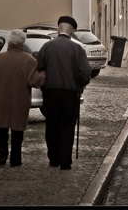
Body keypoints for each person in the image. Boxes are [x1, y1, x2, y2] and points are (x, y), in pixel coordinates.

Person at [0, 29, 46, 167]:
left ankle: (3, 152)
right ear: (23, 42)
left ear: (9, 41)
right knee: (17, 130)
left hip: (0, 97)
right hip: (19, 98)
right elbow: (34, 82)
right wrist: (43, 74)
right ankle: (15, 159)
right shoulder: (29, 60)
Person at [36, 15, 91, 170]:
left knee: (52, 125)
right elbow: (85, 73)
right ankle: (65, 161)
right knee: (67, 127)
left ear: (58, 28)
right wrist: (80, 85)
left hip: (50, 93)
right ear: (72, 31)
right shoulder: (77, 49)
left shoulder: (47, 47)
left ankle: (53, 158)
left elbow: (40, 68)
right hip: (70, 94)